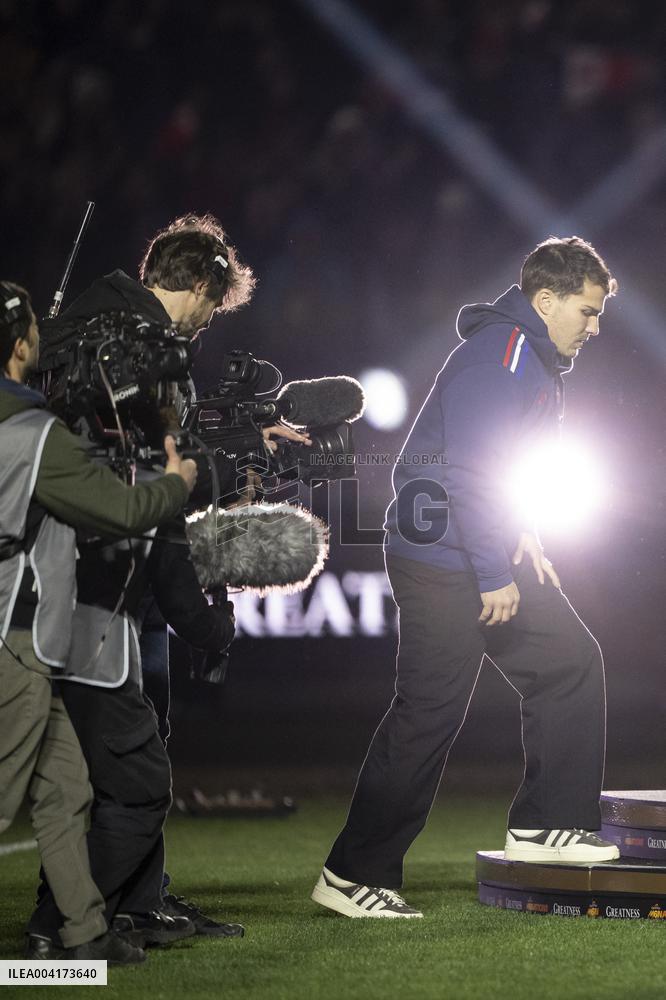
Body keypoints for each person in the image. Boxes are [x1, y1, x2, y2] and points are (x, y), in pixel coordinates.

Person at [312, 237, 620, 919]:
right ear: (546, 301)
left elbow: (504, 467)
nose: (594, 326)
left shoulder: (527, 355)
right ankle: (350, 875)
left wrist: (524, 534)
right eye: (587, 311)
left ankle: (545, 826)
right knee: (428, 714)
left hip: (475, 548)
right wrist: (493, 572)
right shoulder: (505, 354)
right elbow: (473, 473)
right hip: (442, 560)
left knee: (569, 661)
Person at [28, 214, 310, 947]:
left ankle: (125, 908)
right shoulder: (144, 347)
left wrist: (238, 442)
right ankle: (63, 933)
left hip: (56, 593)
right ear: (203, 286)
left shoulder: (91, 330)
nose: (210, 323)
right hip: (100, 595)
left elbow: (142, 456)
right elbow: (153, 494)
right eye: (215, 306)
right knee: (129, 773)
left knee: (95, 773)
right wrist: (206, 620)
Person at [0, 281, 197, 962]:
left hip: (28, 639)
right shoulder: (30, 432)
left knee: (67, 791)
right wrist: (180, 481)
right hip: (12, 639)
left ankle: (79, 936)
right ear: (21, 347)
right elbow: (120, 512)